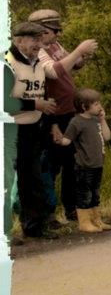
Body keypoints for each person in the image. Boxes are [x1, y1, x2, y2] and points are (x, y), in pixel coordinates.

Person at [30, 9, 98, 223]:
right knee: (51, 164)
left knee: (72, 162)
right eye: (54, 30)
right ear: (41, 31)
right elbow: (54, 72)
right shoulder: (39, 51)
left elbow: (74, 64)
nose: (58, 34)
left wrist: (82, 55)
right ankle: (48, 213)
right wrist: (79, 49)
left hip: (70, 111)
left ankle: (72, 208)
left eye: (59, 30)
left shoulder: (55, 46)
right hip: (53, 116)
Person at [6, 22, 59, 240]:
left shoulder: (37, 62)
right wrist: (36, 105)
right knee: (7, 182)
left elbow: (39, 92)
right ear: (19, 41)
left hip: (33, 128)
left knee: (32, 179)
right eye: (34, 40)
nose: (39, 44)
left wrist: (48, 116)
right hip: (9, 128)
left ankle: (34, 228)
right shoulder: (7, 64)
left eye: (40, 39)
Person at [55, 88, 111, 233]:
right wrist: (58, 137)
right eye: (96, 104)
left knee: (95, 193)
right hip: (84, 165)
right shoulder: (76, 122)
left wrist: (102, 119)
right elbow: (67, 141)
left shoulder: (96, 120)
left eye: (99, 103)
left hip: (98, 164)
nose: (100, 106)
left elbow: (107, 137)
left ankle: (96, 220)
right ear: (83, 106)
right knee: (84, 193)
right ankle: (84, 222)